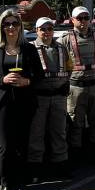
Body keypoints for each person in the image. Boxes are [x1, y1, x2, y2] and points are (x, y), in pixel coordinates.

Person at [0, 9, 43, 190]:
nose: (11, 27)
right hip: (2, 104)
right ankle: (6, 184)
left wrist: (27, 81)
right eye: (6, 24)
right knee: (6, 146)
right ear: (1, 27)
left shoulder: (29, 49)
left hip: (24, 102)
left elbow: (40, 75)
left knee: (22, 145)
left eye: (14, 23)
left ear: (20, 27)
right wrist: (2, 80)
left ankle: (21, 183)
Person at [61, 6, 95, 158]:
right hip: (76, 88)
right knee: (75, 123)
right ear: (72, 20)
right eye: (79, 18)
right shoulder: (65, 40)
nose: (83, 21)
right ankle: (76, 156)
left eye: (86, 18)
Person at [27, 17, 72, 181]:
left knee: (59, 132)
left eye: (50, 29)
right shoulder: (30, 48)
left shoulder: (61, 47)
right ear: (36, 30)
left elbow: (69, 68)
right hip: (39, 98)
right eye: (43, 29)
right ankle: (35, 168)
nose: (46, 32)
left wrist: (65, 83)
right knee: (36, 133)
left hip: (59, 96)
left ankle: (60, 165)